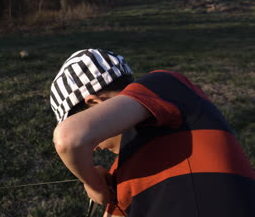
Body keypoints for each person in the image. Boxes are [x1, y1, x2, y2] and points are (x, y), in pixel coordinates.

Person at [49, 49, 254, 217]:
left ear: (95, 104)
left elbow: (70, 138)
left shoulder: (167, 86)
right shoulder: (118, 173)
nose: (93, 147)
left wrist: (94, 185)